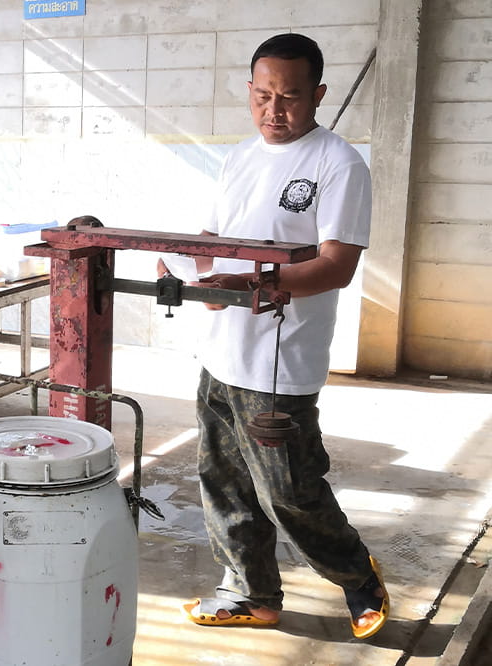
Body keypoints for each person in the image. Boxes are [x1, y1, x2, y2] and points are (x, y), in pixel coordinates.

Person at [171, 33, 389, 639]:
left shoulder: (338, 164)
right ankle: (250, 591)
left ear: (318, 94)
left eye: (291, 97)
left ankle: (357, 577)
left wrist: (259, 281)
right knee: (223, 483)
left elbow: (336, 265)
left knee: (289, 490)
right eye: (263, 95)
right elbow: (213, 241)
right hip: (221, 353)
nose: (275, 110)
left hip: (279, 362)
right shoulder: (240, 156)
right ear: (249, 92)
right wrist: (183, 264)